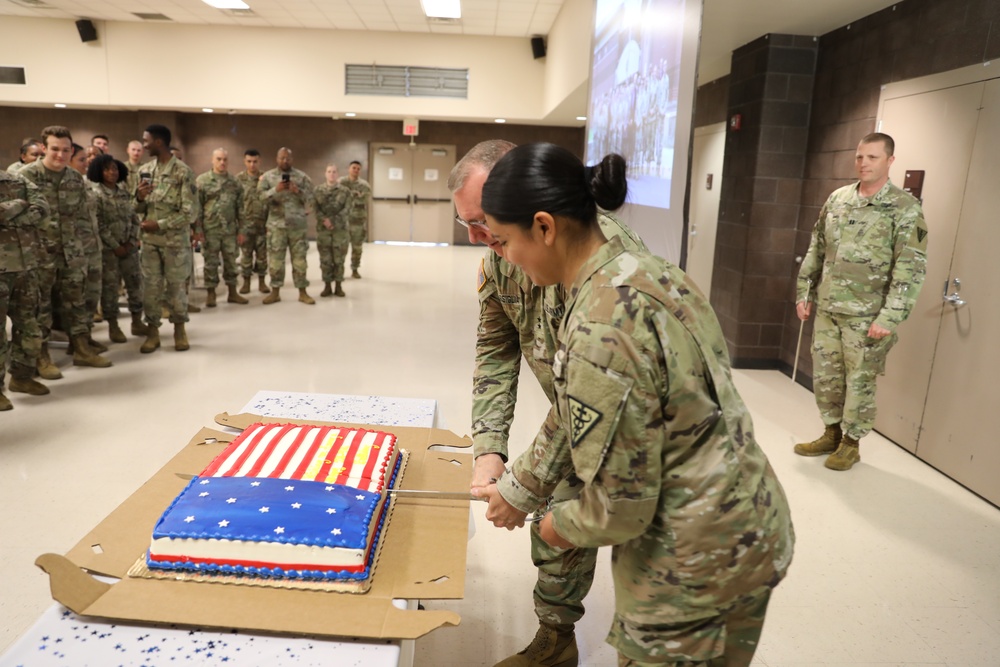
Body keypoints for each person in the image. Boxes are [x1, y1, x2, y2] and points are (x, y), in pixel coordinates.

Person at [480, 143, 795, 666]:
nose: (503, 257)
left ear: (543, 227)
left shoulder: (599, 327)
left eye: (504, 240)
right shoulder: (646, 271)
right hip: (740, 523)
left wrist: (549, 525)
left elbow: (618, 509)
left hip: (693, 566)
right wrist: (525, 481)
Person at [449, 139, 647, 667]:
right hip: (588, 421)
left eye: (485, 222)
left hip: (642, 447)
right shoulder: (504, 256)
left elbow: (589, 391)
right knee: (557, 516)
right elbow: (496, 349)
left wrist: (522, 484)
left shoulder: (613, 271)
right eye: (468, 224)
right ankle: (556, 638)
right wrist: (490, 450)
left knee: (648, 577)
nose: (478, 238)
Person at [794, 132, 928, 472]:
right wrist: (804, 292)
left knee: (859, 381)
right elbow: (816, 248)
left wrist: (890, 316)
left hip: (867, 316)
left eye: (872, 157)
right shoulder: (838, 199)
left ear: (890, 161)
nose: (863, 164)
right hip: (828, 309)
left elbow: (909, 268)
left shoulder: (904, 208)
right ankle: (831, 432)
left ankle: (851, 444)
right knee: (826, 376)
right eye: (859, 157)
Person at [20, 127, 112, 371]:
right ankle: (42, 356)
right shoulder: (26, 177)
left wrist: (86, 252)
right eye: (54, 149)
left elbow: (83, 218)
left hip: (72, 253)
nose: (60, 155)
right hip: (39, 255)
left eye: (65, 150)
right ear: (43, 148)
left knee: (76, 303)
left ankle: (81, 348)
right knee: (41, 307)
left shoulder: (74, 179)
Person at [134, 124, 198, 352]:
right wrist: (139, 198)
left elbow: (190, 213)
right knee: (150, 288)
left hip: (174, 244)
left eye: (146, 140)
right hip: (150, 243)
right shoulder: (145, 169)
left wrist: (159, 224)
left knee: (176, 288)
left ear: (159, 142)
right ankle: (152, 332)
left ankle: (179, 329)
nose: (144, 144)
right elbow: (135, 209)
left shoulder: (183, 172)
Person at [0, 168, 50, 410]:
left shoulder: (17, 179)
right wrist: (21, 203)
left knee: (29, 326)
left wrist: (8, 212)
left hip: (26, 266)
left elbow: (42, 208)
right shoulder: (20, 188)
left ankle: (21, 377)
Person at [88, 154, 145, 343]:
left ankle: (137, 321)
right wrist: (115, 245)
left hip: (129, 248)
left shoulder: (123, 193)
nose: (112, 172)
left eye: (114, 168)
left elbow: (134, 218)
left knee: (135, 284)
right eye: (107, 169)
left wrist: (131, 241)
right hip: (108, 251)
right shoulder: (95, 194)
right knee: (110, 289)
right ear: (99, 172)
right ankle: (113, 326)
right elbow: (99, 224)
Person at [258, 147, 315, 305]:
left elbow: (312, 198)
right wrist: (274, 190)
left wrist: (298, 191)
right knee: (276, 261)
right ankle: (275, 292)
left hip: (297, 226)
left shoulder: (302, 177)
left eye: (288, 158)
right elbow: (260, 198)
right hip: (277, 226)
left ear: (292, 159)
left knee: (300, 261)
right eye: (282, 158)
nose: (285, 161)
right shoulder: (268, 177)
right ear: (277, 159)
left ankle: (302, 292)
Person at [196, 148, 247, 307]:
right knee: (210, 263)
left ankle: (233, 292)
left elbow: (241, 208)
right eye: (218, 159)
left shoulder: (234, 182)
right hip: (210, 230)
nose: (222, 162)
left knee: (231, 262)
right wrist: (198, 230)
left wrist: (241, 230)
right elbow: (197, 207)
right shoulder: (203, 181)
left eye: (225, 159)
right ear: (212, 160)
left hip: (230, 231)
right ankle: (211, 294)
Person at [71, 143, 107, 352]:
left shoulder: (88, 185)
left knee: (92, 295)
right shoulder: (65, 185)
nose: (87, 163)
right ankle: (77, 343)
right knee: (76, 299)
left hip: (94, 248)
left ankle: (86, 335)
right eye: (82, 160)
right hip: (76, 251)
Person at [236, 149, 269, 295]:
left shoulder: (266, 178)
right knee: (246, 256)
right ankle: (246, 283)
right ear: (244, 162)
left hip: (263, 225)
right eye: (249, 161)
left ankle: (262, 282)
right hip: (246, 225)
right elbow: (236, 203)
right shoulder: (238, 180)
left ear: (259, 161)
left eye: (255, 161)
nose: (252, 164)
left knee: (262, 257)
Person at [313, 164, 349, 297]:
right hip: (323, 232)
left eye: (334, 172)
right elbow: (315, 208)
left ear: (337, 174)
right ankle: (327, 286)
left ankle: (339, 286)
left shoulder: (345, 191)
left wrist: (333, 221)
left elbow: (347, 209)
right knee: (325, 260)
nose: (332, 174)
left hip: (340, 231)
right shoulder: (318, 190)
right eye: (329, 171)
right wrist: (325, 221)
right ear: (325, 174)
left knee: (339, 260)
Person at [338, 160, 370, 279]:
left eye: (358, 168)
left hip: (358, 221)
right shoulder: (341, 182)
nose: (356, 170)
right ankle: (339, 270)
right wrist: (353, 195)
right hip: (343, 221)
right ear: (349, 168)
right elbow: (338, 198)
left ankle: (355, 269)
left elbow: (364, 200)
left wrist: (349, 196)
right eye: (353, 168)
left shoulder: (364, 185)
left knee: (357, 247)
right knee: (341, 248)